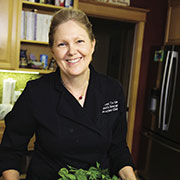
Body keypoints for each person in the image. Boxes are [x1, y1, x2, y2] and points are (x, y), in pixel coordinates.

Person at [0, 8, 137, 180]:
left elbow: (118, 148)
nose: (72, 51)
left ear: (92, 44)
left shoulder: (112, 90)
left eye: (79, 41)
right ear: (53, 50)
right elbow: (11, 151)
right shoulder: (36, 93)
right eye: (62, 44)